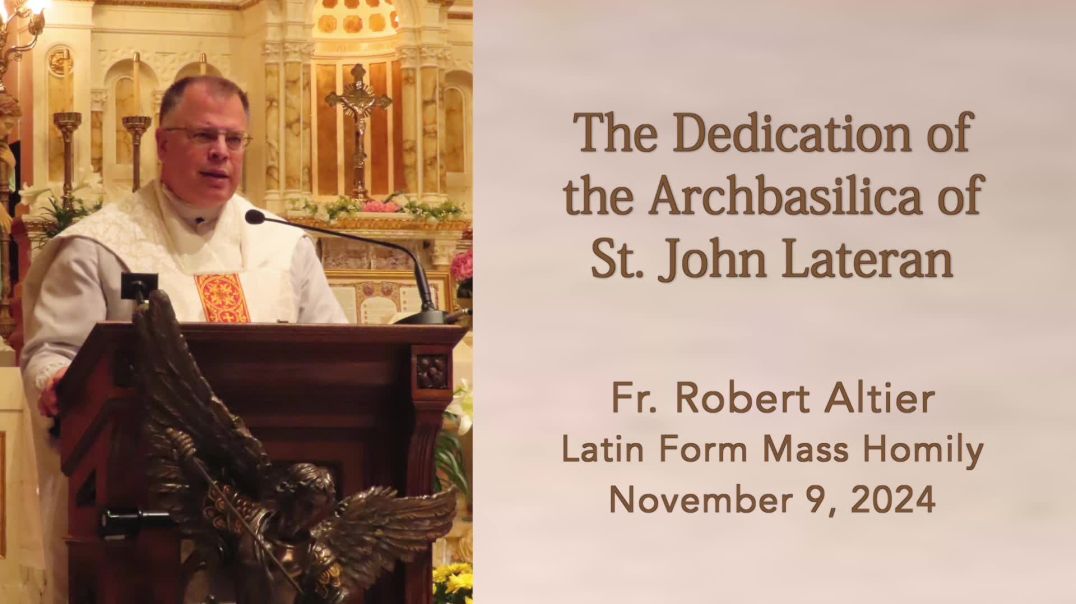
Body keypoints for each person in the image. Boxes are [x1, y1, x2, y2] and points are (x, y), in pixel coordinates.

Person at [20, 75, 347, 603]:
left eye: (234, 139)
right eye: (203, 136)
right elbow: (53, 352)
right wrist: (54, 379)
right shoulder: (100, 245)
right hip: (145, 492)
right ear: (162, 143)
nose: (221, 153)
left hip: (275, 500)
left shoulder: (283, 244)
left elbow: (335, 349)